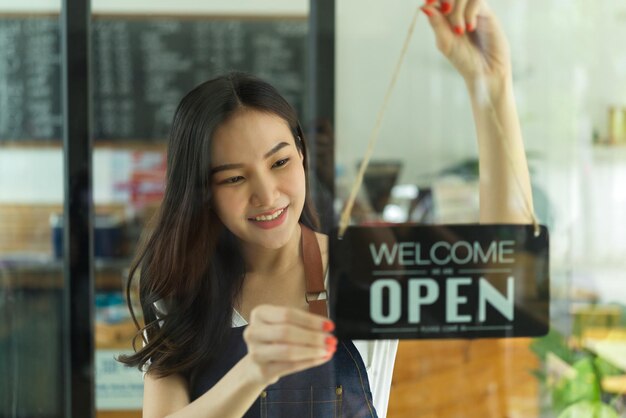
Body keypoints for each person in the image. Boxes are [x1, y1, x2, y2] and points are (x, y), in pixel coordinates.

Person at [119, 0, 534, 416]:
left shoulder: (364, 271)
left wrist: (492, 86)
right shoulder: (184, 293)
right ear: (201, 190)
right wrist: (254, 372)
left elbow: (507, 280)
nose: (267, 195)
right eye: (234, 178)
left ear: (302, 154)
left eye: (279, 162)